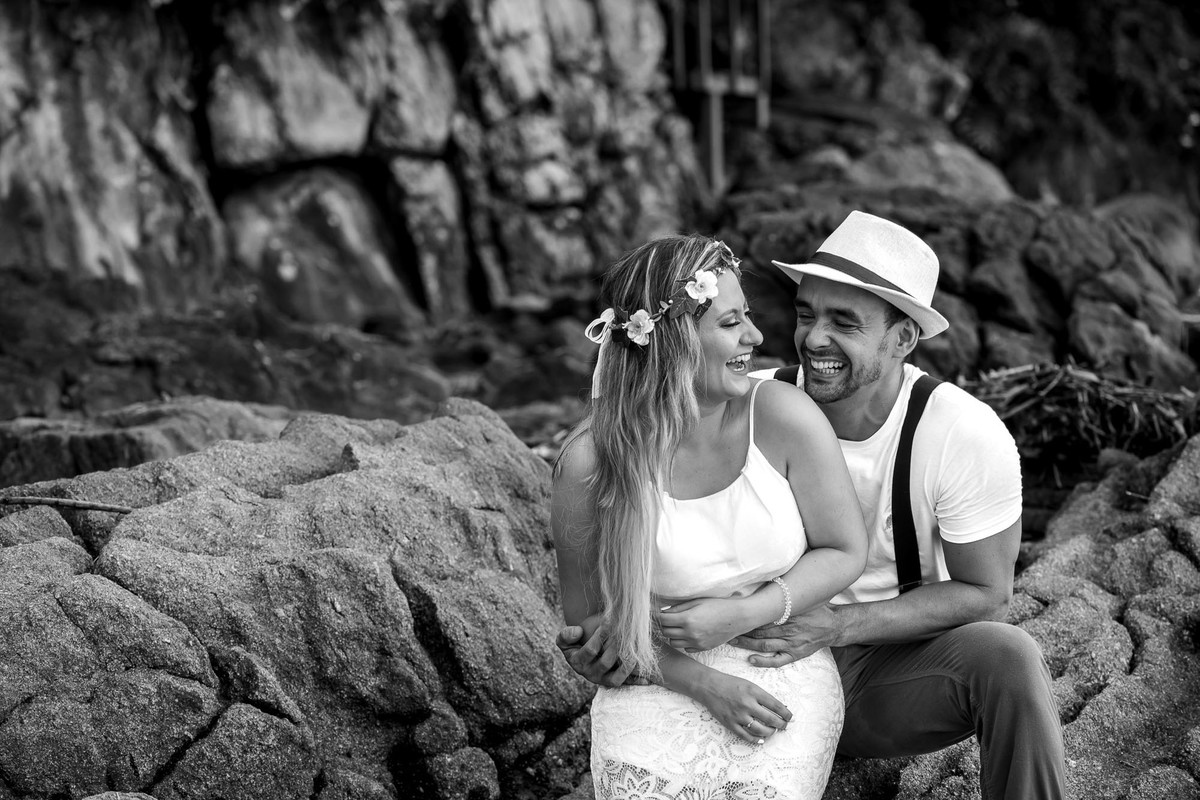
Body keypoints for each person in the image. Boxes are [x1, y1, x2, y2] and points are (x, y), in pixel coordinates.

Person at [557, 212, 1067, 799]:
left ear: (902, 338)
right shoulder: (748, 398)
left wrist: (838, 626)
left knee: (1009, 658)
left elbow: (990, 594)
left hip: (881, 663)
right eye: (806, 315)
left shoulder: (961, 434)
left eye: (844, 323)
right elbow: (643, 456)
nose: (813, 338)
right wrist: (612, 648)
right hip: (735, 655)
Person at [552, 234, 868, 799]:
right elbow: (591, 626)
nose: (756, 336)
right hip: (654, 671)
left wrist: (746, 612)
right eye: (730, 323)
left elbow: (845, 550)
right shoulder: (589, 463)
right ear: (672, 340)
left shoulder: (782, 416)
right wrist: (701, 681)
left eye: (747, 316)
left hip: (777, 657)